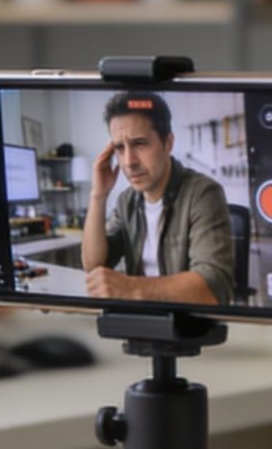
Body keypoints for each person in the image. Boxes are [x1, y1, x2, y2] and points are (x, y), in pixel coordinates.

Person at [81, 91, 235, 305]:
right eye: (119, 147)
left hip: (185, 325)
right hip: (139, 321)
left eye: (140, 144)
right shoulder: (127, 201)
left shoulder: (203, 193)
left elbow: (214, 286)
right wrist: (98, 196)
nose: (128, 162)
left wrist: (131, 288)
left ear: (168, 143)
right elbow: (94, 265)